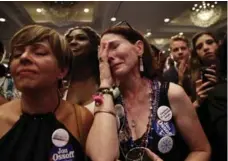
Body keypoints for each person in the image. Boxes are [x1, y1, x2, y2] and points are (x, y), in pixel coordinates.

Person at [0, 25, 119, 161]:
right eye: (17, 54)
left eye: (39, 52)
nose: (24, 57)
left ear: (62, 70)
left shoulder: (81, 119)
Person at [98, 22, 211, 161]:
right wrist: (105, 84)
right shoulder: (106, 102)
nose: (107, 55)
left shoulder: (172, 94)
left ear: (139, 48)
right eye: (102, 51)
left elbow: (201, 150)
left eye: (114, 46)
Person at [64, 26, 100, 114]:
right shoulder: (57, 84)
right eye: (69, 40)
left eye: (81, 38)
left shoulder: (107, 82)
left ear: (94, 46)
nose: (73, 42)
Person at [190, 32, 219, 108]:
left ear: (218, 44)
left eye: (210, 42)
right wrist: (198, 102)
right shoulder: (192, 79)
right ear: (196, 53)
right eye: (199, 47)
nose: (205, 48)